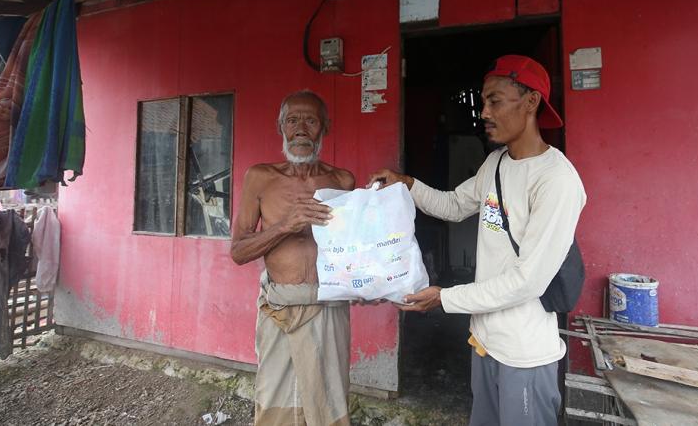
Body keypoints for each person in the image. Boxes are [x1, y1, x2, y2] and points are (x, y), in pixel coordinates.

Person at [369, 55, 586, 426]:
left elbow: (527, 281)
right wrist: (408, 184)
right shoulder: (496, 163)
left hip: (523, 353)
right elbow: (454, 205)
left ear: (531, 101)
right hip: (484, 343)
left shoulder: (556, 181)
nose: (484, 112)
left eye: (495, 101)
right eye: (484, 101)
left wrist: (445, 298)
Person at [231, 90, 355, 426]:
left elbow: (355, 252)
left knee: (329, 399)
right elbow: (238, 251)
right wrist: (286, 226)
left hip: (328, 307)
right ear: (280, 127)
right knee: (276, 404)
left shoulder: (342, 181)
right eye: (292, 120)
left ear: (325, 127)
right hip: (279, 310)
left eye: (311, 120)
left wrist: (372, 283)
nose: (301, 129)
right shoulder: (260, 177)